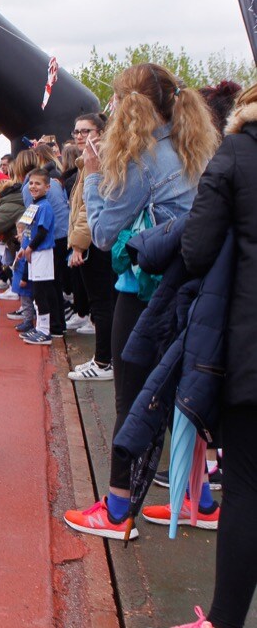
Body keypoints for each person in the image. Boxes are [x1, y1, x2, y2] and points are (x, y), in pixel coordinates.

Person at [64, 62, 219, 542]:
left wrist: (92, 175)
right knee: (184, 395)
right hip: (198, 290)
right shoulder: (196, 146)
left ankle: (116, 510)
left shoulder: (145, 158)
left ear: (129, 107)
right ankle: (202, 500)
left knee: (133, 399)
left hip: (149, 291)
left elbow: (107, 235)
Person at [144, 82, 257, 628]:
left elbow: (196, 249)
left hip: (249, 346)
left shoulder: (236, 155)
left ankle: (224, 623)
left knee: (247, 487)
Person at [66, 114, 117, 381]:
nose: (78, 135)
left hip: (96, 241)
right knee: (105, 302)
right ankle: (105, 359)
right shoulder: (88, 160)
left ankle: (104, 361)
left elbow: (89, 207)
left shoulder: (98, 160)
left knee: (102, 303)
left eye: (85, 131)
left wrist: (78, 245)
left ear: (100, 132)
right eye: (76, 131)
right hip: (95, 237)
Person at [17, 170, 60, 345]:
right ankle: (40, 327)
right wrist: (24, 247)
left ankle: (45, 330)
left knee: (41, 292)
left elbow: (42, 231)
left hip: (42, 252)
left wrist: (31, 247)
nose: (33, 187)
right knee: (36, 292)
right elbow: (29, 230)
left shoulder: (45, 206)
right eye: (31, 183)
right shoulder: (34, 205)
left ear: (47, 187)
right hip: (33, 251)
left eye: (38, 184)